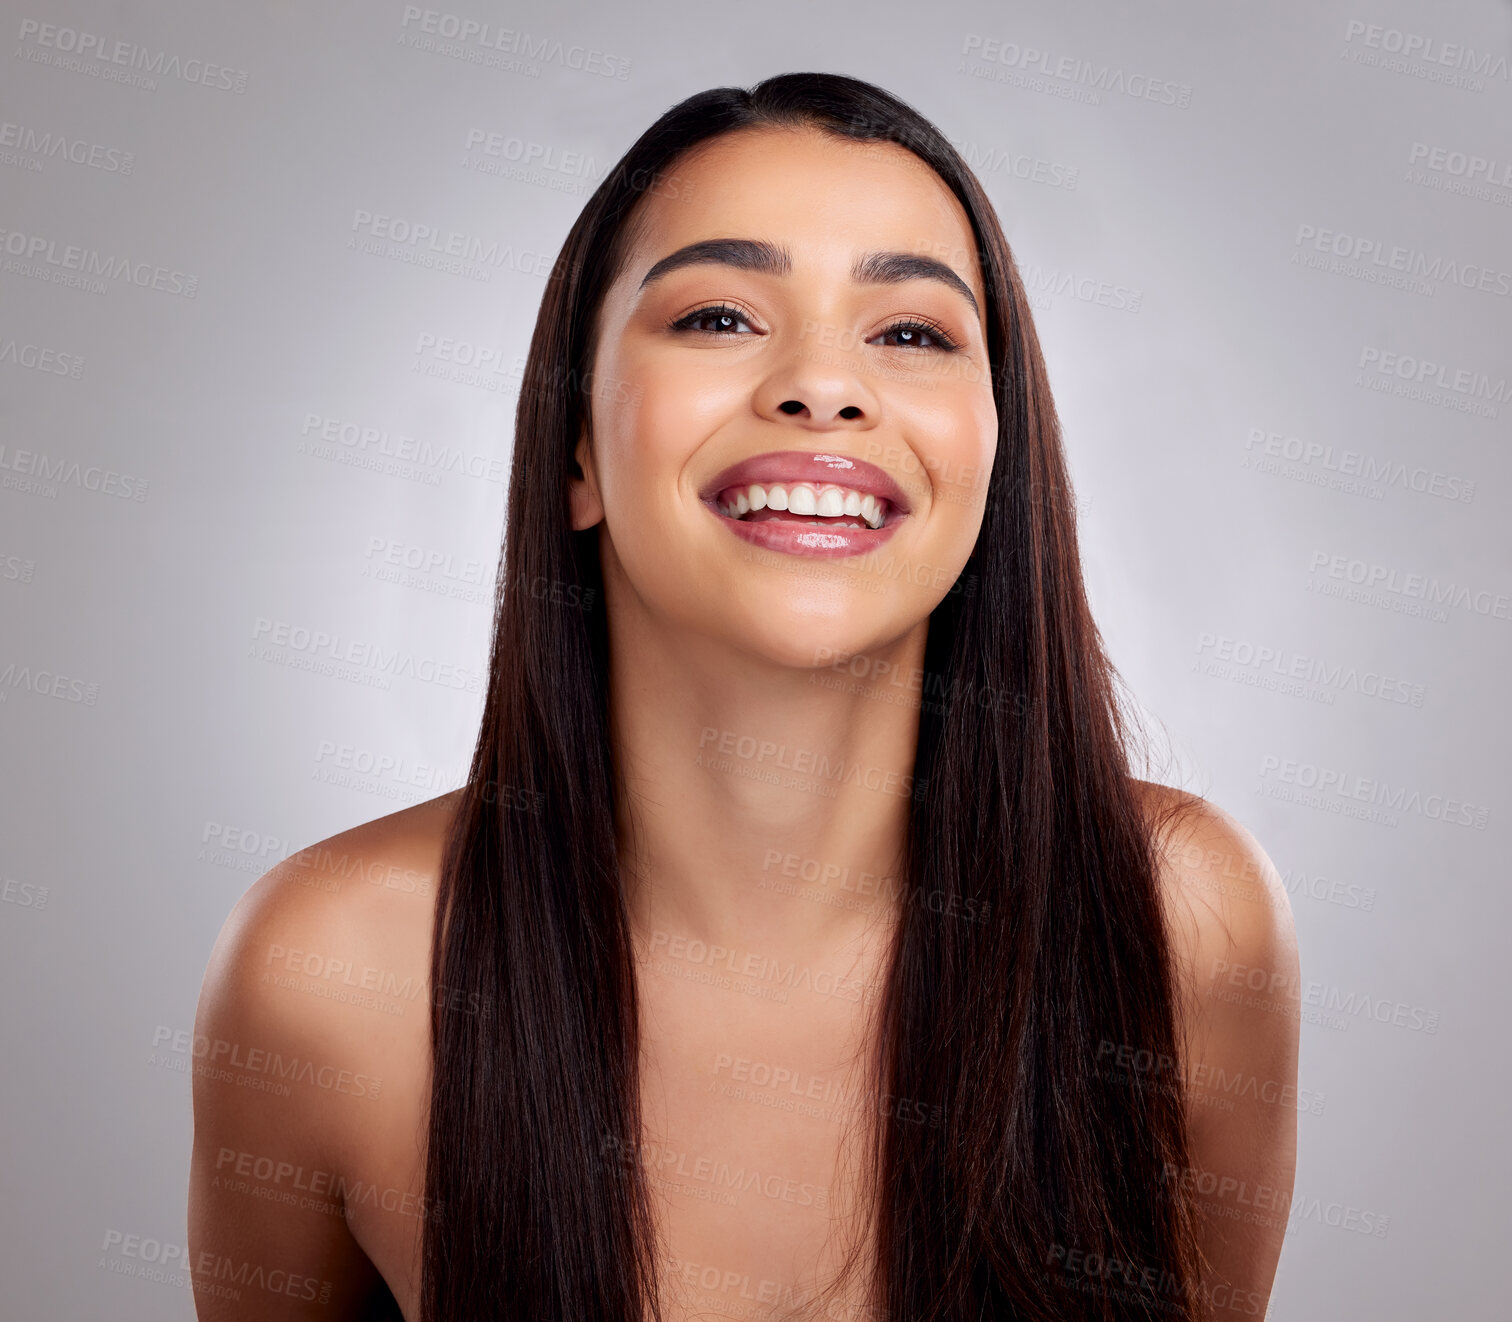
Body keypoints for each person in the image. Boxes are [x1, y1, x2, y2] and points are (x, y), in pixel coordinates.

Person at [188, 72, 1299, 1321]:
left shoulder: (1184, 921)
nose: (824, 386)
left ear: (999, 457)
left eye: (912, 332)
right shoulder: (327, 972)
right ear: (577, 452)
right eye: (719, 316)